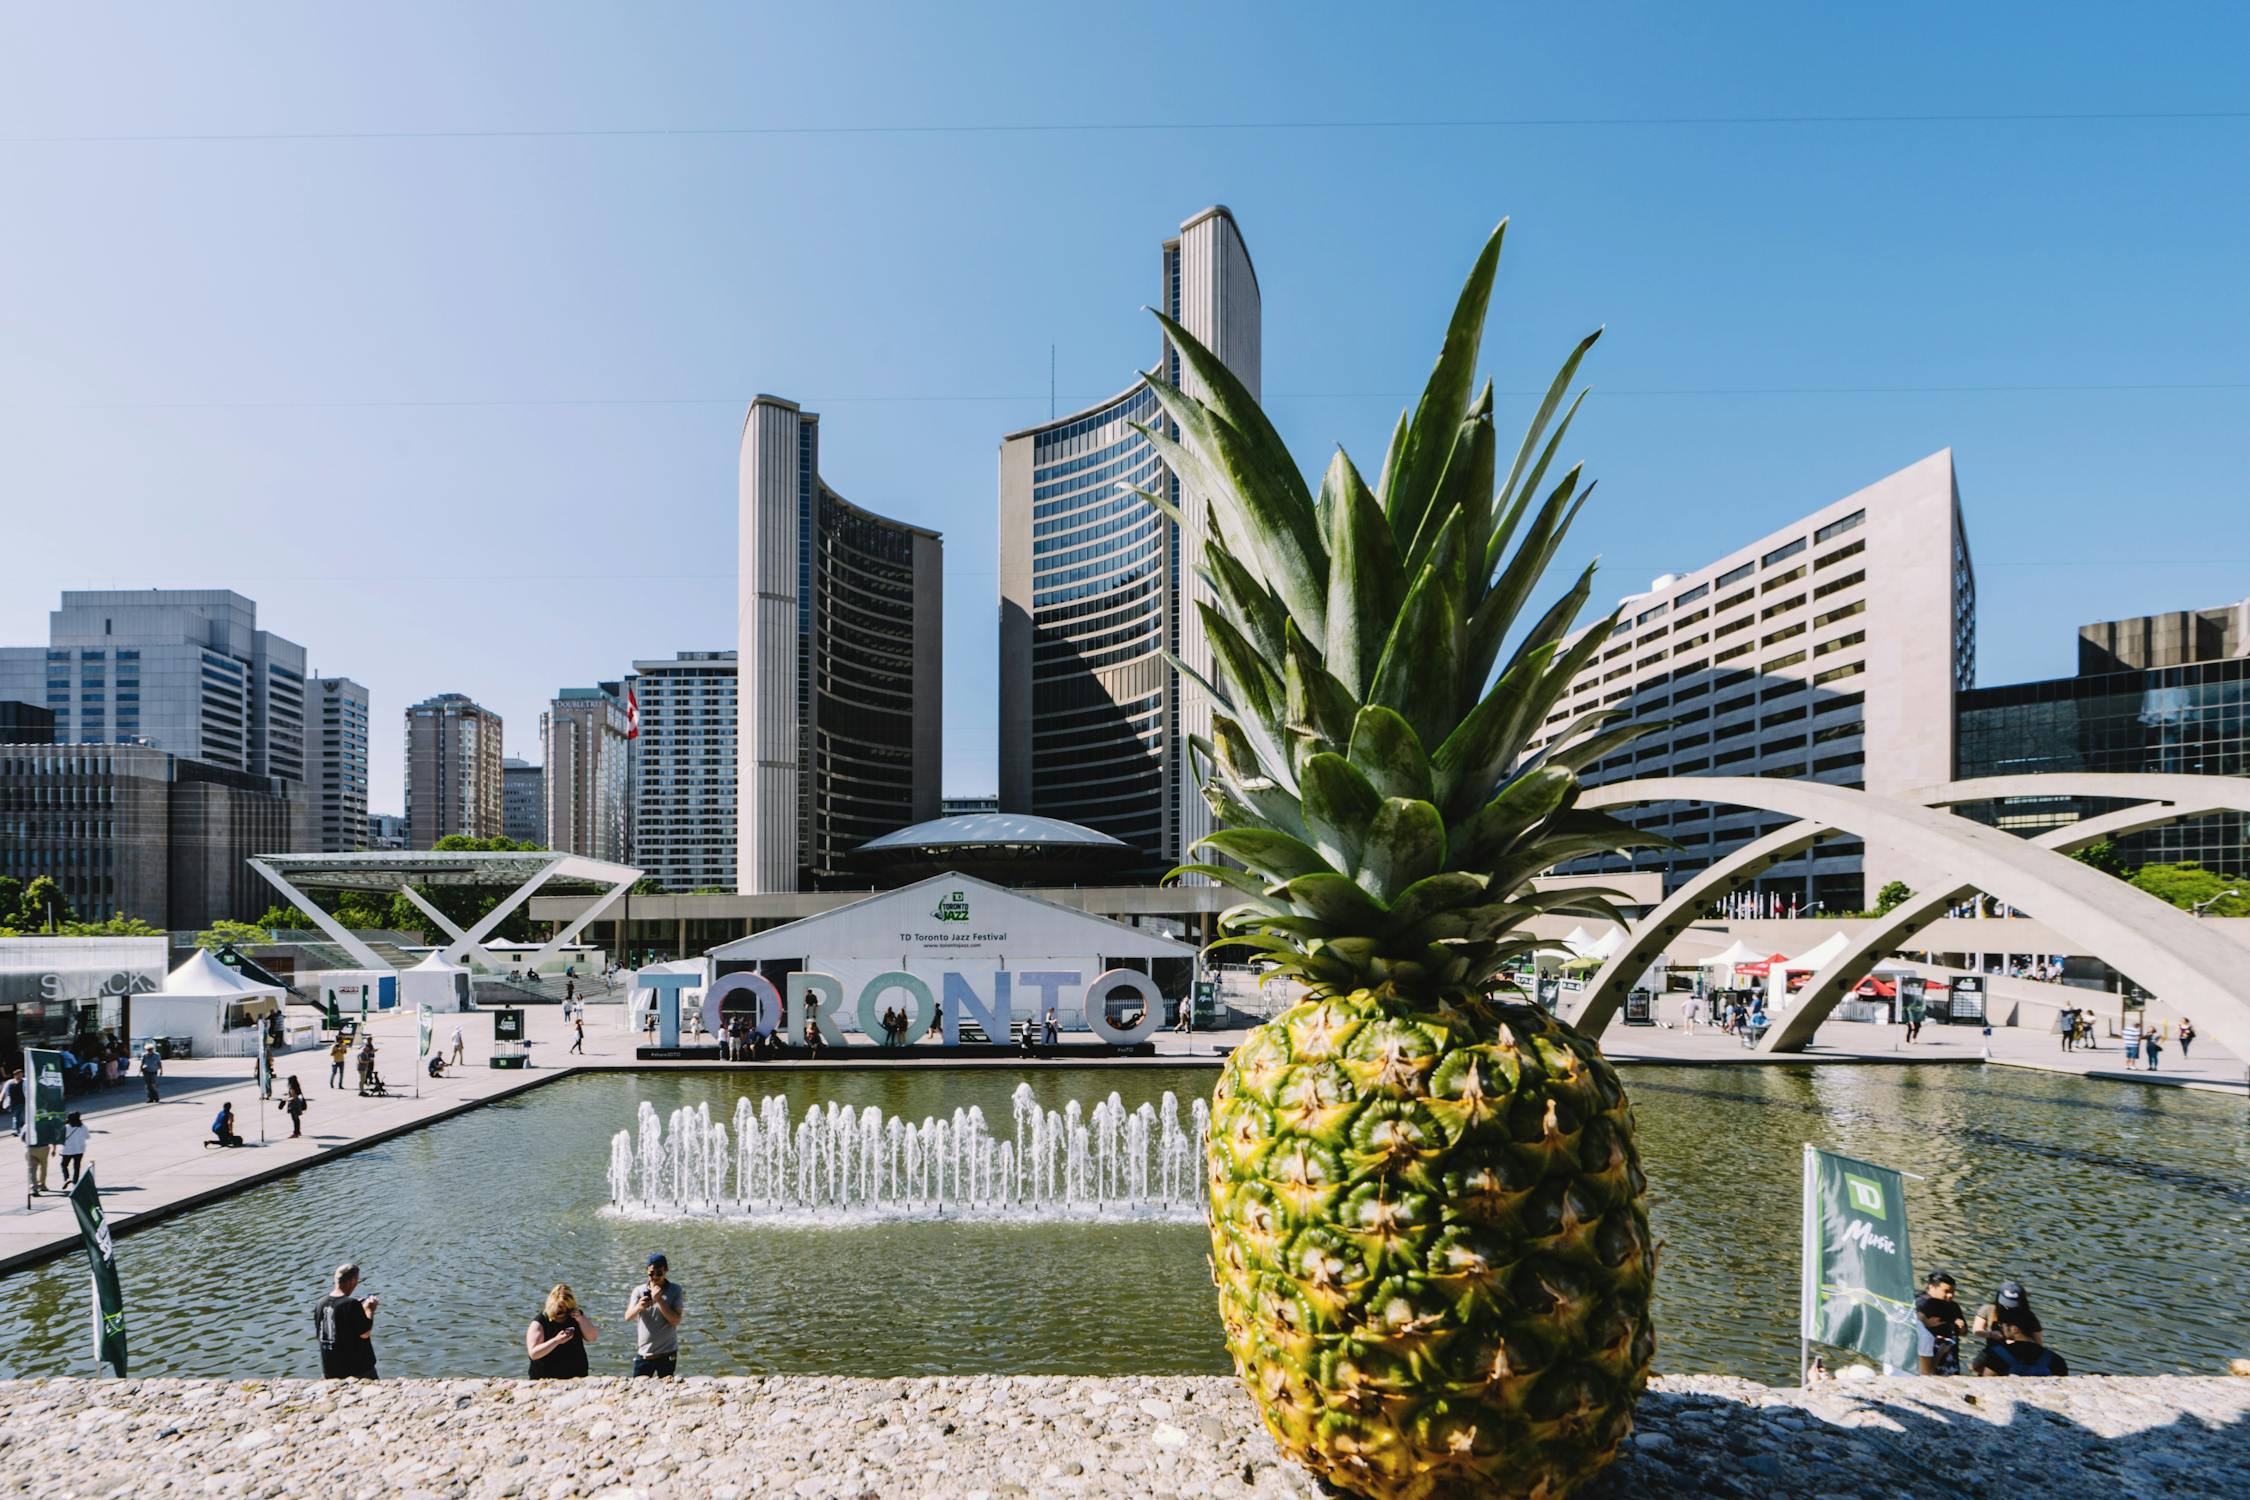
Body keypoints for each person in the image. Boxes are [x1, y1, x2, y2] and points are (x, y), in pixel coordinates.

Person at [315, 1263, 380, 1379]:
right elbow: (365, 1333)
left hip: (330, 1370)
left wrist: (360, 1309)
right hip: (357, 1370)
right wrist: (370, 1309)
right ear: (353, 1280)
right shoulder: (351, 1304)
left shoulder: (320, 1303)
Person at [625, 1253, 685, 1376]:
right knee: (638, 1389)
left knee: (667, 1391)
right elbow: (628, 1317)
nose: (655, 1277)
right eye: (651, 1274)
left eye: (659, 1273)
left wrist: (659, 1300)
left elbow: (675, 1321)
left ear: (666, 1270)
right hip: (645, 1354)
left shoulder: (675, 1290)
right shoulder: (639, 1291)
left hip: (667, 1353)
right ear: (647, 1271)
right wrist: (638, 1307)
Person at [526, 1283, 598, 1378]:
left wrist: (580, 1319)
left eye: (567, 1307)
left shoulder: (576, 1316)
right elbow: (534, 1354)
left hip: (577, 1375)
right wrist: (557, 1340)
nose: (564, 1311)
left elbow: (592, 1337)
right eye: (560, 1307)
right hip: (546, 1377)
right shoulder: (540, 1322)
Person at [1973, 1314, 2067, 1376]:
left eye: (2004, 1325)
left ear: (2015, 1329)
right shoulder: (2056, 1360)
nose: (2003, 1328)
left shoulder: (1998, 1354)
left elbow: (1987, 1379)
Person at [1914, 1271, 1965, 1376]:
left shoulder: (1953, 1306)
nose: (1950, 1295)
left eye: (1953, 1292)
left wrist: (1961, 1327)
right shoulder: (1920, 1303)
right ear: (1932, 1287)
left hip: (1949, 1358)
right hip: (1926, 1356)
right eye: (1946, 1291)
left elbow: (1963, 1332)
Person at [1971, 1281, 2036, 1344]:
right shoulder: (1988, 1309)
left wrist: (2018, 1342)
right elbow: (1976, 1330)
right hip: (1994, 1350)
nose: (2008, 1307)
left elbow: (2037, 1343)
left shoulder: (2028, 1315)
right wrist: (1991, 1334)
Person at [59, 1112, 90, 1188]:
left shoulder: (65, 1127)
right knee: (77, 1166)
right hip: (79, 1150)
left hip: (67, 1150)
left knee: (64, 1165)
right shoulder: (83, 1127)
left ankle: (67, 1178)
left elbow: (60, 1137)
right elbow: (87, 1137)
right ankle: (75, 1182)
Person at [0, 1066, 22, 1134]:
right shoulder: (9, 1082)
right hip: (11, 1102)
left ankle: (15, 1129)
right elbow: (3, 1091)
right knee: (17, 1115)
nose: (20, 1075)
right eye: (18, 1074)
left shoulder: (24, 1081)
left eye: (21, 1074)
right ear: (15, 1075)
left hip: (21, 1101)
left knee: (17, 1115)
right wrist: (0, 1098)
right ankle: (20, 1127)